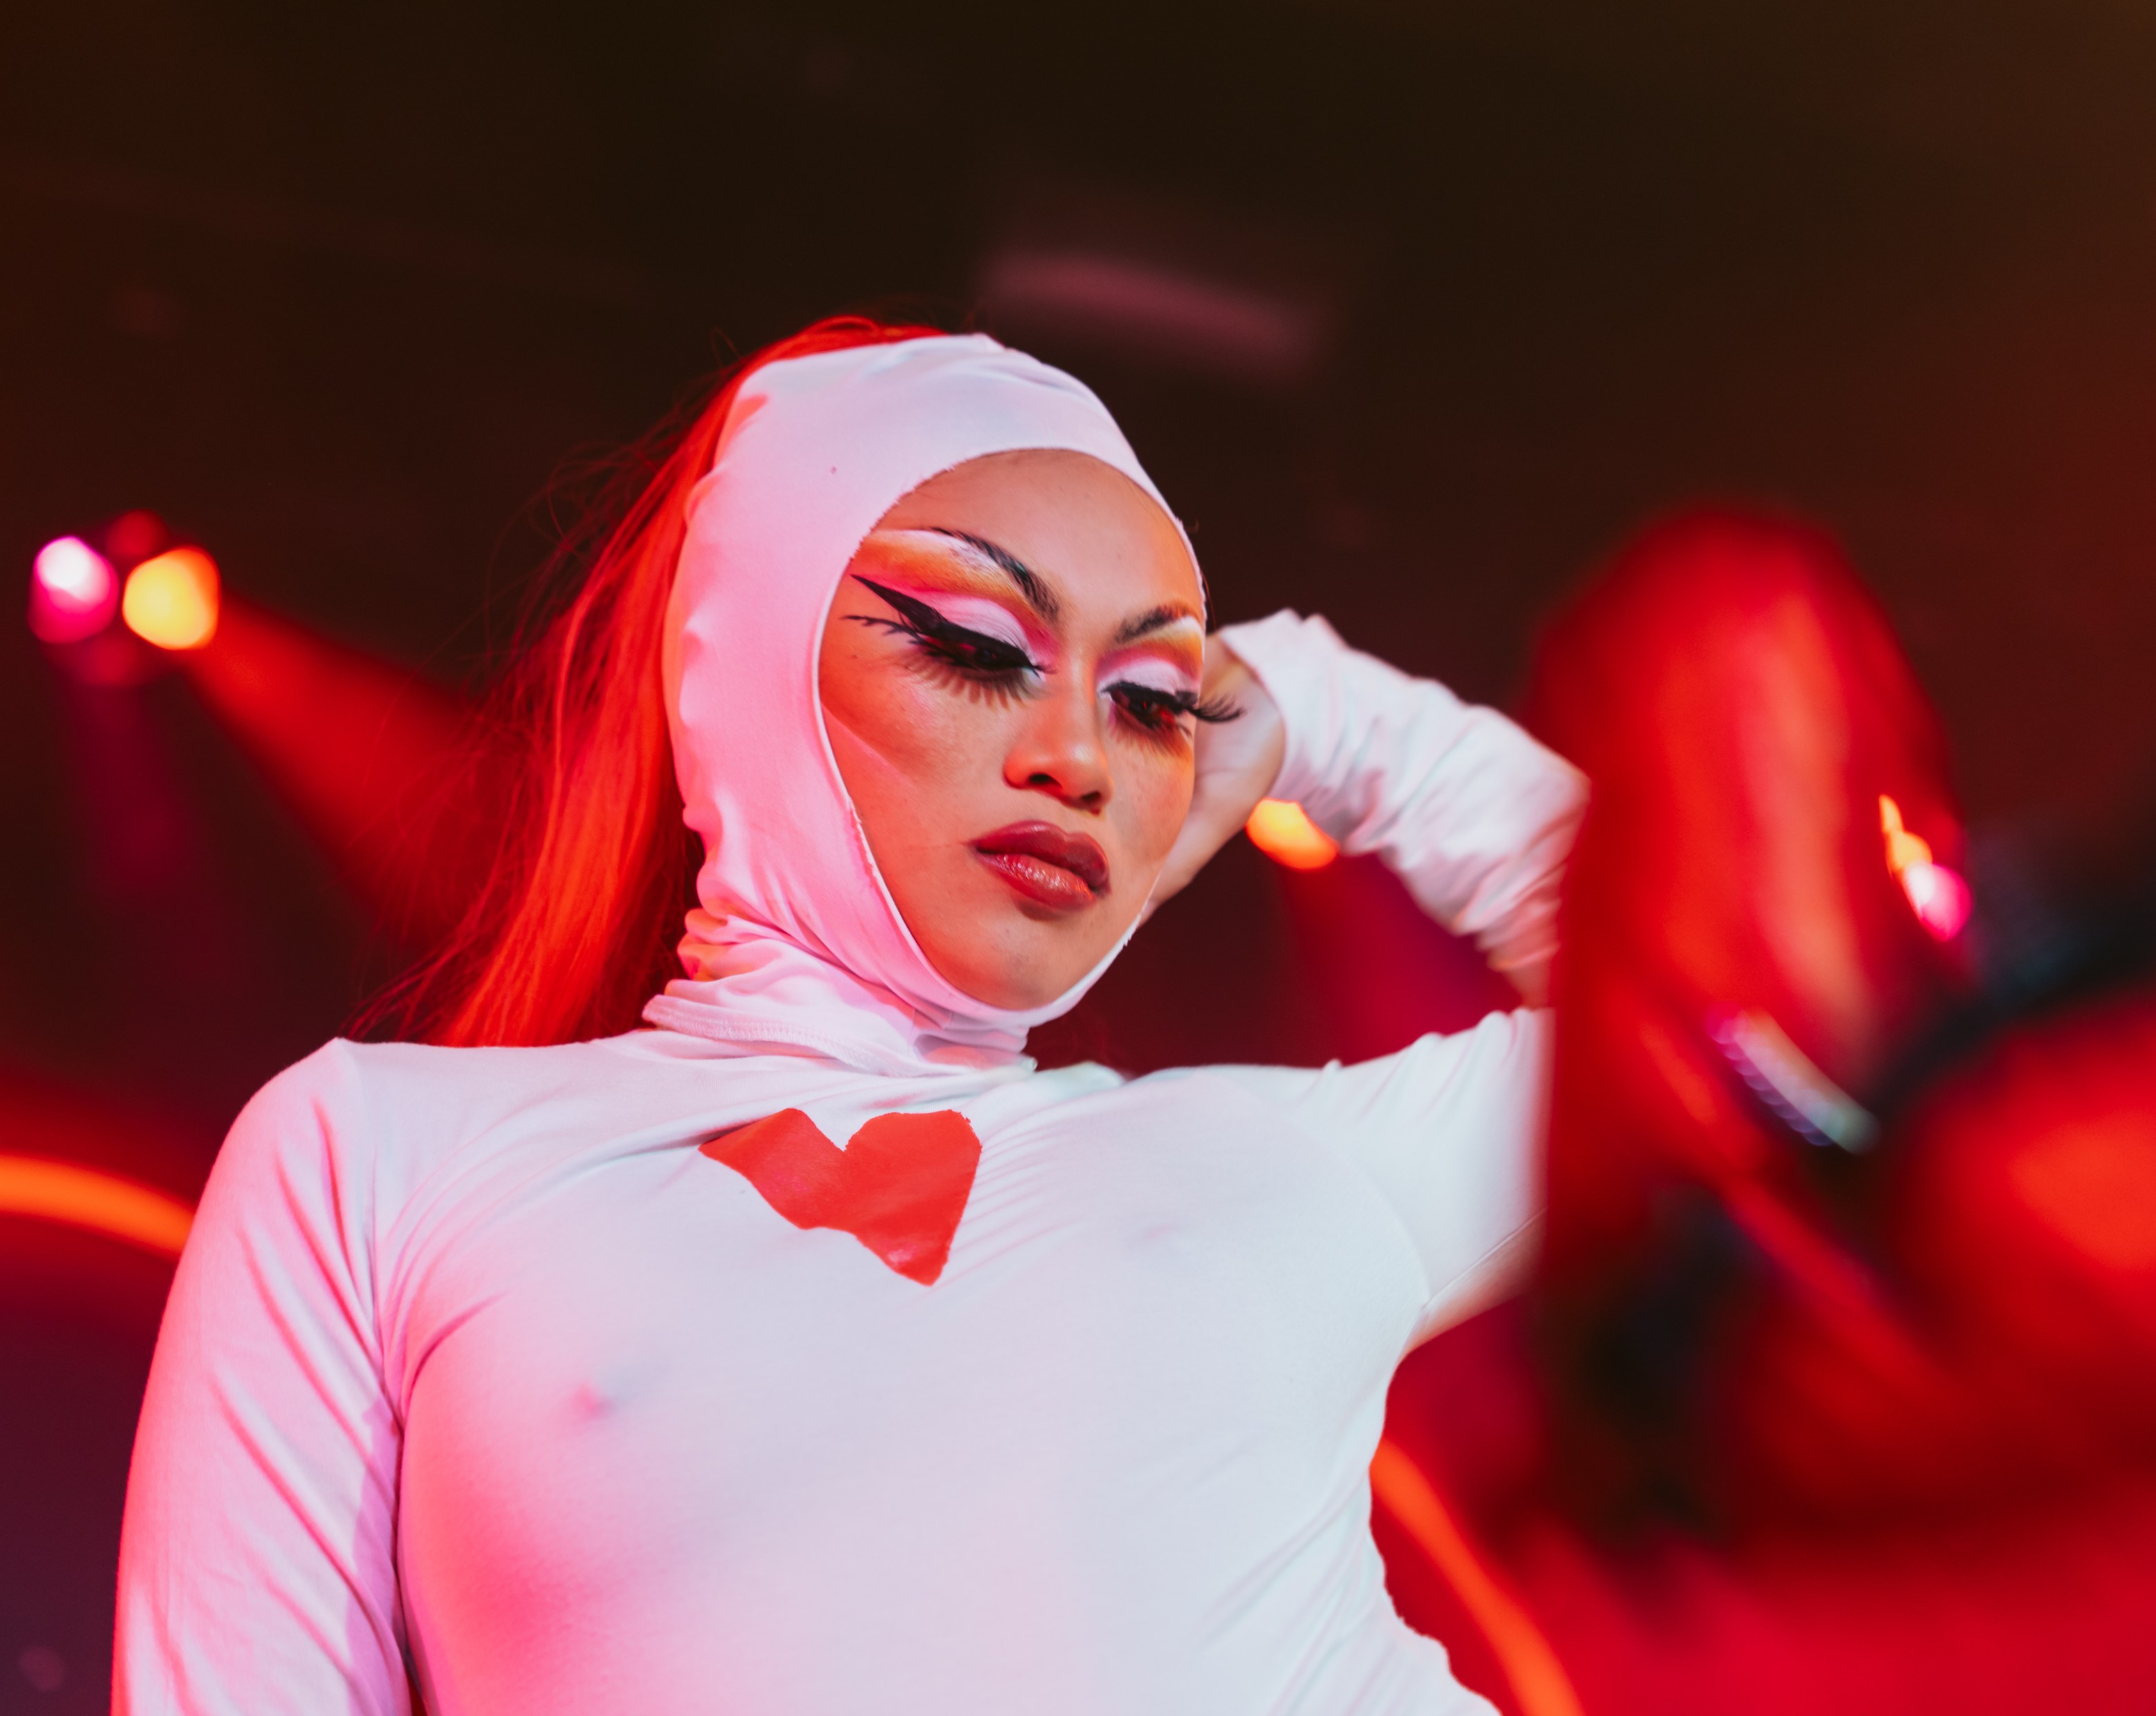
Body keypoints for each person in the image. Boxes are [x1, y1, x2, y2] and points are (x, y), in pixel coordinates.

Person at [112, 320, 1587, 1715]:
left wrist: (1313, 712)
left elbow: (1679, 990)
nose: (1076, 751)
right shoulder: (381, 1155)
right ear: (740, 661)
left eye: (1149, 697)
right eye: (973, 643)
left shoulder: (1288, 1157)